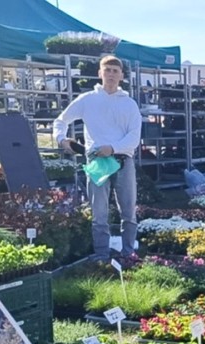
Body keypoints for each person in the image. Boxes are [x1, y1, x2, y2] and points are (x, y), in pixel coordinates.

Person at [52, 55, 142, 262]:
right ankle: (102, 256)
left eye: (115, 71)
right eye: (107, 70)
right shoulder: (87, 100)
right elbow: (60, 120)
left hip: (123, 161)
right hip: (97, 162)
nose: (111, 74)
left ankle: (128, 255)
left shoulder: (129, 105)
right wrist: (61, 139)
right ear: (99, 73)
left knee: (128, 211)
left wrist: (113, 148)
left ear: (121, 76)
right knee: (99, 213)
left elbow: (134, 137)